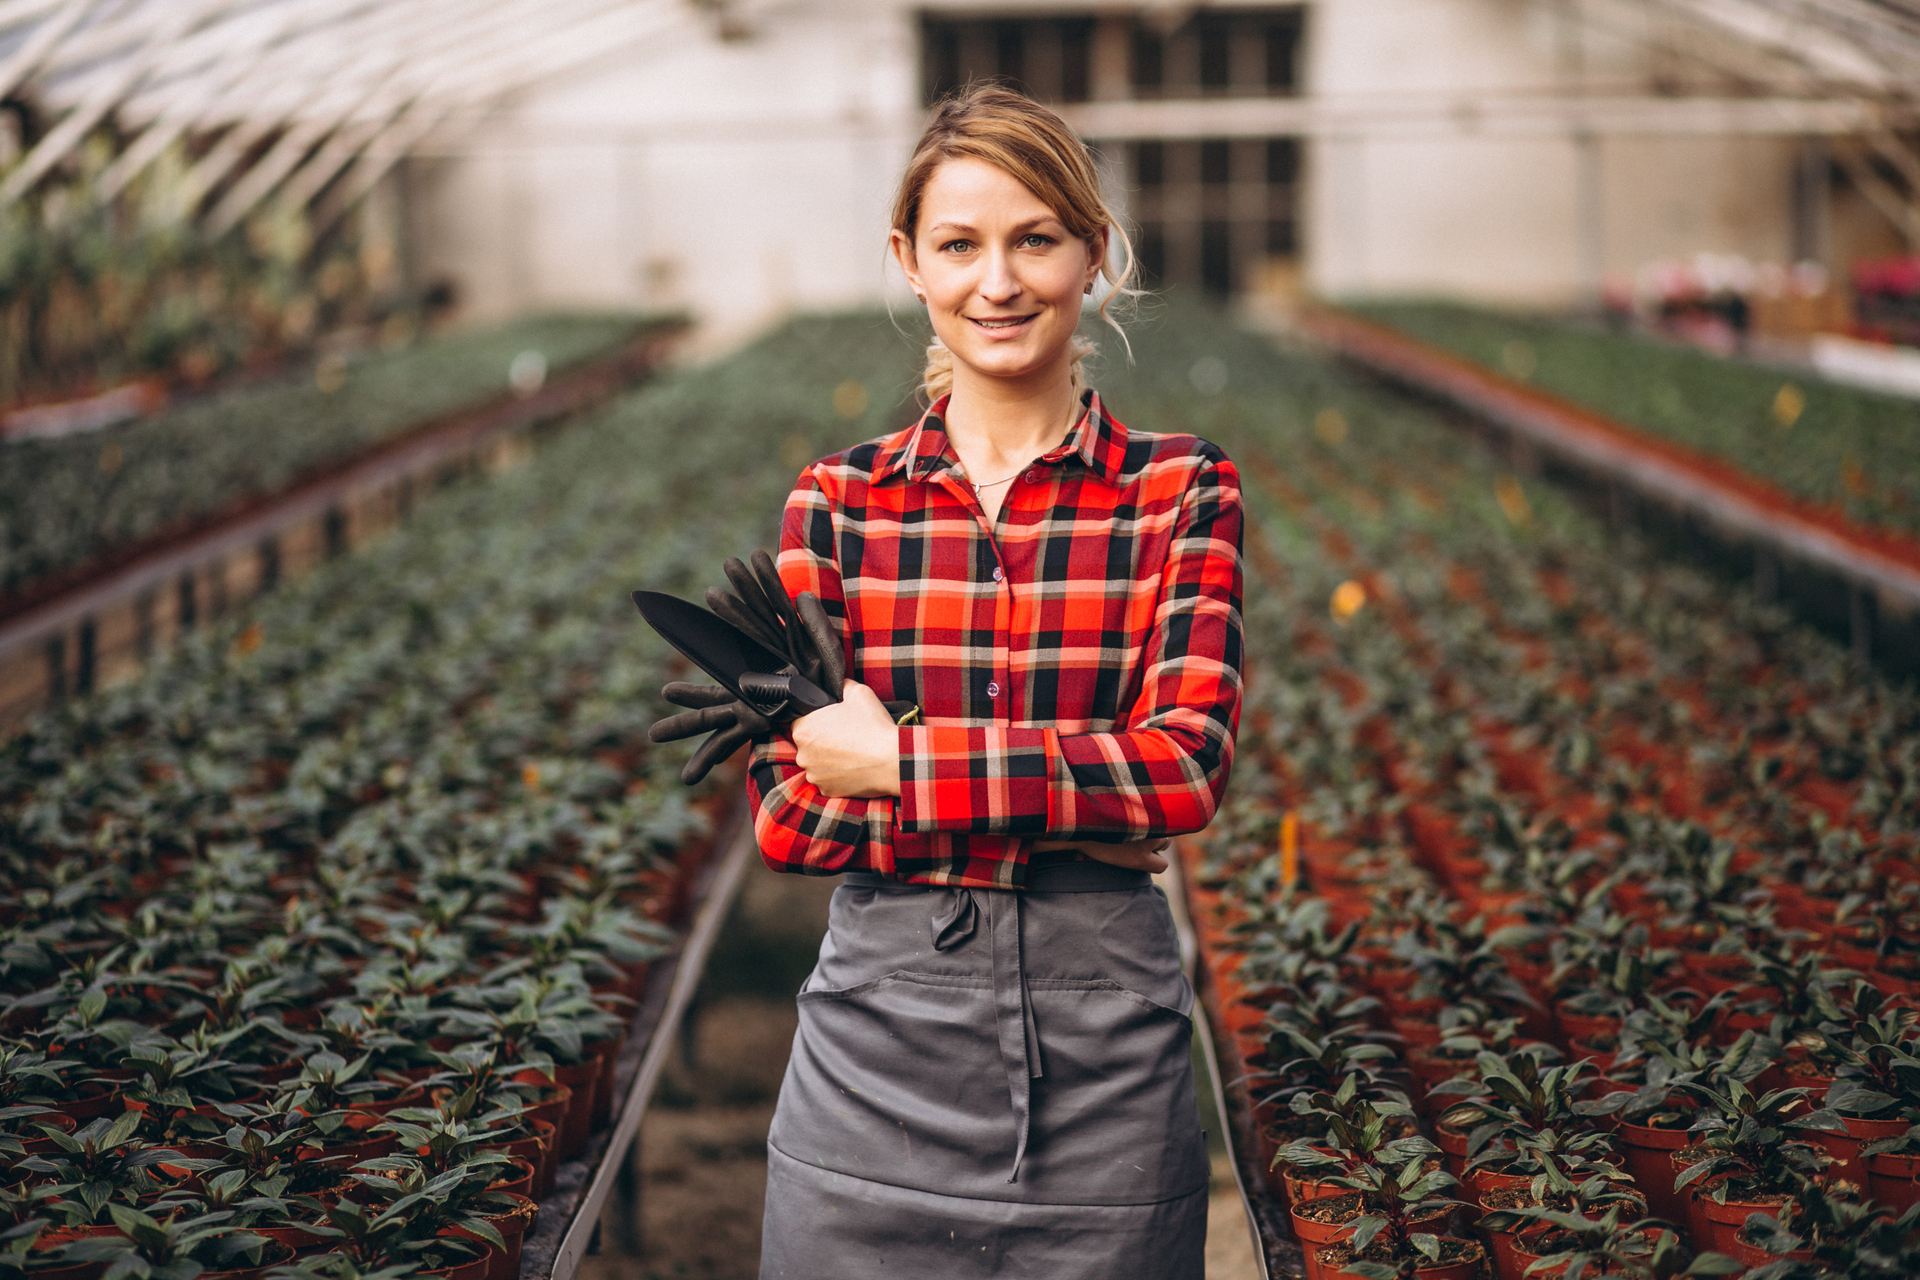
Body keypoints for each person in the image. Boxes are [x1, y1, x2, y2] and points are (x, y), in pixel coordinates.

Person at [748, 84, 1245, 1280]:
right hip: (872, 1053)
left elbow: (1182, 772)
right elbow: (789, 807)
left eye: (1036, 238)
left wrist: (900, 765)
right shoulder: (840, 501)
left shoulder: (1177, 491)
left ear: (1095, 254)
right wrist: (1080, 803)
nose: (999, 281)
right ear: (909, 261)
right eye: (960, 244)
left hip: (1107, 1061)